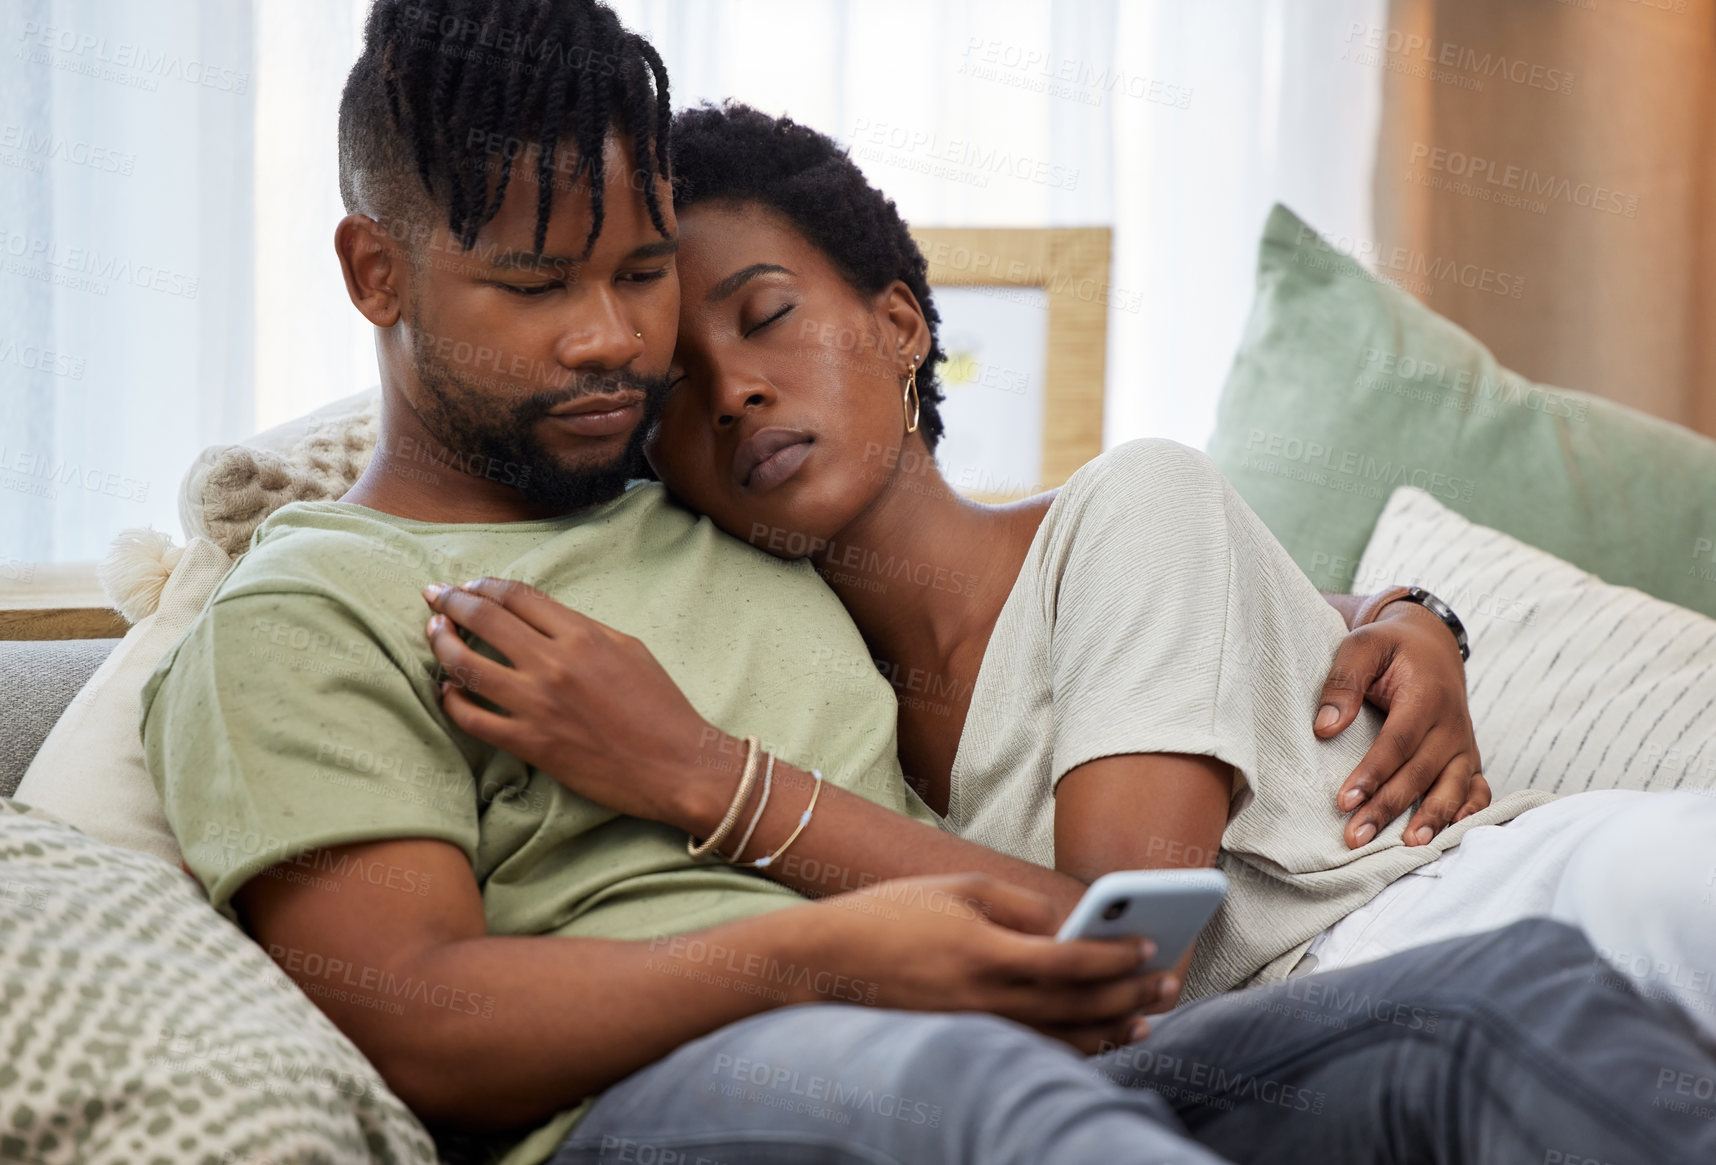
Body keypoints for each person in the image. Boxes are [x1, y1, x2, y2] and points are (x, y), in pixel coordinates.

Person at [142, 5, 1716, 1165]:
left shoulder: (742, 523)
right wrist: (826, 953)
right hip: (723, 1090)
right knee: (982, 1107)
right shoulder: (314, 604)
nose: (619, 346)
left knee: (1511, 1004)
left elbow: (1148, 708)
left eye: (638, 275)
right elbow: (408, 1011)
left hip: (1066, 1027)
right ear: (375, 275)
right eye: (538, 286)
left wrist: (1415, 616)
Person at [423, 102, 1716, 1032]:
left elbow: (1132, 935)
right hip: (1336, 1045)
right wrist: (1400, 608)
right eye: (677, 391)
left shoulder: (1132, 499)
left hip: (1528, 905)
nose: (739, 389)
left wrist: (696, 772)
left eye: (766, 317)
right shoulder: (814, 690)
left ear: (899, 323)